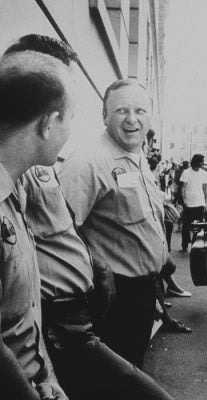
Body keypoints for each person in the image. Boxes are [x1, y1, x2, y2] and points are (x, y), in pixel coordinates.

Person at [58, 79, 169, 368]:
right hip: (113, 297)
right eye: (121, 111)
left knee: (131, 374)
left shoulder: (137, 156)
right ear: (104, 116)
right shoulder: (89, 161)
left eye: (140, 111)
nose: (132, 119)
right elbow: (57, 232)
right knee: (112, 384)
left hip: (143, 291)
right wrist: (98, 264)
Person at [0, 43, 72, 400]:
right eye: (70, 118)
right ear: (48, 123)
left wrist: (49, 379)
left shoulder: (16, 192)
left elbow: (25, 318)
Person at [180, 153, 207, 252]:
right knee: (186, 226)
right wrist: (184, 200)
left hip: (200, 203)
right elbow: (183, 188)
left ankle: (195, 243)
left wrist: (205, 203)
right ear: (197, 161)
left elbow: (204, 189)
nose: (203, 163)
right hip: (189, 203)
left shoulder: (204, 173)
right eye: (202, 161)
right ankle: (184, 244)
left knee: (198, 226)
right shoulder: (186, 172)